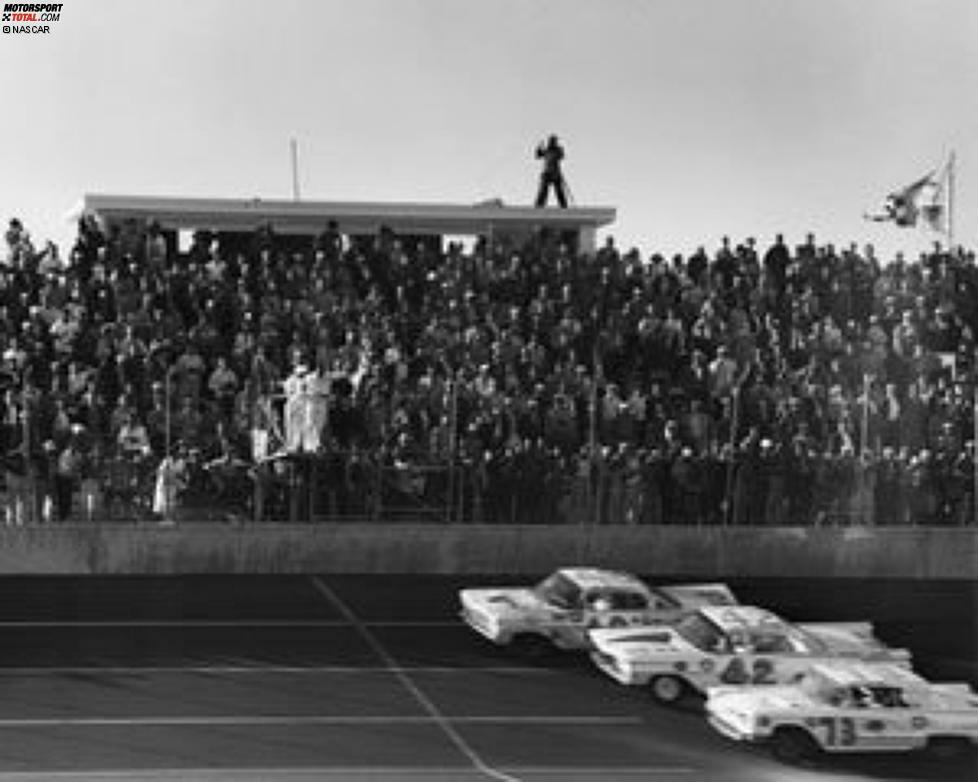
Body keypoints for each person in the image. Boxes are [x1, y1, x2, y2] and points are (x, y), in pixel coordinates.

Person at [534, 135, 568, 208]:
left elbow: (561, 155)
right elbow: (538, 155)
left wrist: (560, 149)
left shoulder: (557, 150)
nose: (553, 143)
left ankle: (563, 206)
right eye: (552, 141)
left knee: (559, 191)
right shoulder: (547, 150)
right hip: (547, 173)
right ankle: (539, 205)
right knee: (543, 191)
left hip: (555, 173)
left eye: (554, 141)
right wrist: (539, 147)